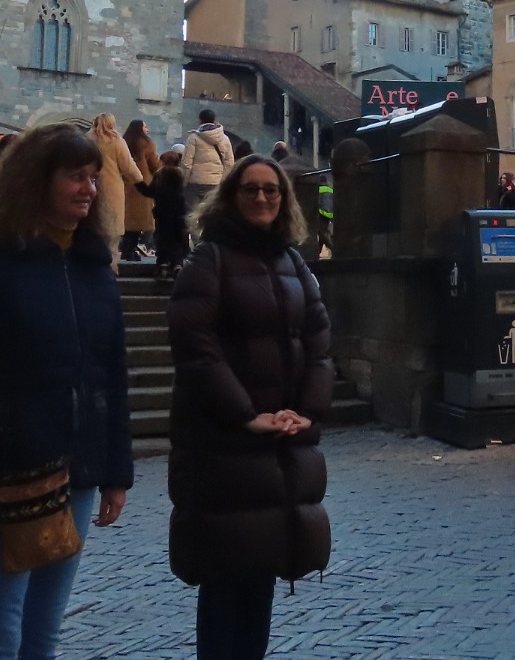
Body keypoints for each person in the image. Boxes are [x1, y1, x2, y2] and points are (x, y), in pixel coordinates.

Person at [0, 123, 133, 660]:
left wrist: (115, 471)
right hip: (9, 476)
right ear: (38, 181)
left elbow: (111, 375)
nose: (89, 189)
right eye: (76, 176)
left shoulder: (96, 270)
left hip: (78, 469)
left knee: (43, 634)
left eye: (93, 177)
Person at [167, 154, 333, 660]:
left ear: (283, 199)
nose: (262, 197)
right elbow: (195, 347)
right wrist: (244, 414)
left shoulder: (294, 262)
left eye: (271, 190)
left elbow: (319, 342)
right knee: (225, 580)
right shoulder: (208, 260)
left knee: (260, 578)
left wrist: (307, 411)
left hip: (279, 442)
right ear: (231, 197)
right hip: (225, 445)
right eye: (251, 189)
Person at [89, 113, 142, 272]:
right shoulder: (116, 141)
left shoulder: (87, 140)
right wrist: (139, 179)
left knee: (92, 227)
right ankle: (110, 268)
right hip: (112, 189)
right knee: (112, 233)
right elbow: (129, 167)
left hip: (91, 185)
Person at [136, 150, 189, 284]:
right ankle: (177, 264)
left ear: (163, 161)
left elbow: (150, 192)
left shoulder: (159, 174)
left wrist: (138, 182)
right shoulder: (181, 175)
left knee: (163, 238)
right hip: (179, 212)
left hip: (162, 212)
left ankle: (163, 264)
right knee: (177, 238)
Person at [181, 109, 234, 219]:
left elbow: (186, 163)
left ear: (200, 121)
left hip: (195, 182)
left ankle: (195, 231)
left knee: (192, 214)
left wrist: (184, 181)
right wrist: (222, 181)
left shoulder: (193, 138)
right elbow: (229, 163)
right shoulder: (225, 139)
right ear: (214, 120)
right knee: (212, 213)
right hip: (216, 182)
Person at [122, 119, 160, 262]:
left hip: (126, 183)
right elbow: (154, 164)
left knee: (127, 219)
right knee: (139, 220)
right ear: (140, 128)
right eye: (145, 126)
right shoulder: (147, 143)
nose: (147, 129)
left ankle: (126, 249)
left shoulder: (123, 142)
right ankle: (131, 250)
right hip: (142, 185)